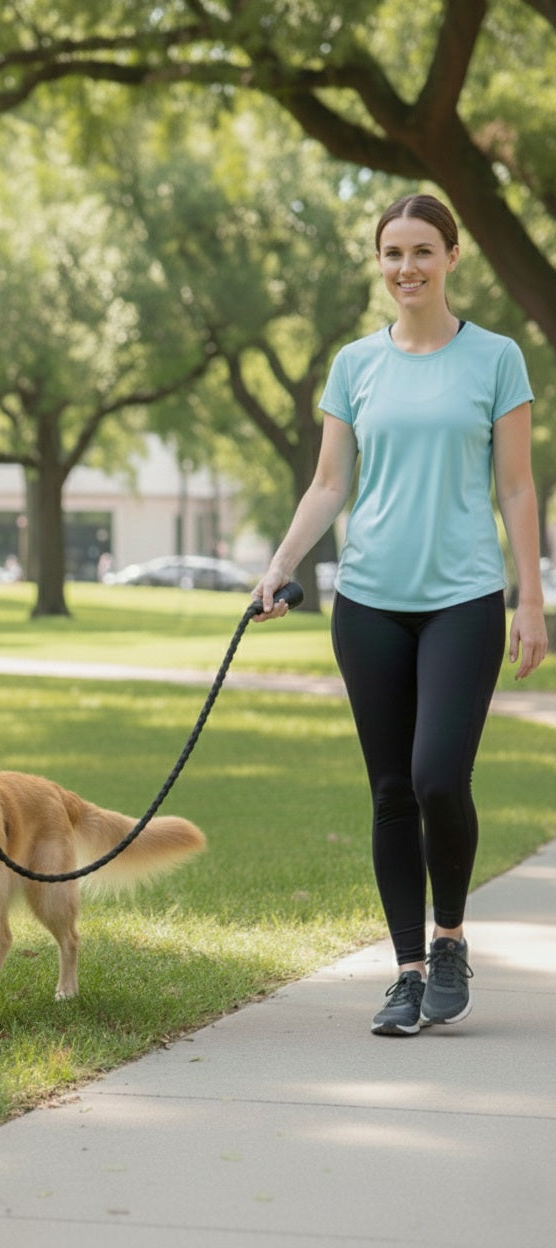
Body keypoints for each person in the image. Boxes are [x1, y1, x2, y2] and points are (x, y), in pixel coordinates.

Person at [252, 192, 548, 1037]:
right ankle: (407, 971)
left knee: (436, 779)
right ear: (378, 263)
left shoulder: (496, 359)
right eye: (392, 254)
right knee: (390, 792)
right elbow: (329, 484)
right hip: (369, 602)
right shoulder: (355, 364)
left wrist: (530, 598)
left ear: (453, 257)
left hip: (462, 598)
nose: (407, 267)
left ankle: (450, 937)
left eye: (423, 251)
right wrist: (278, 568)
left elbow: (518, 486)